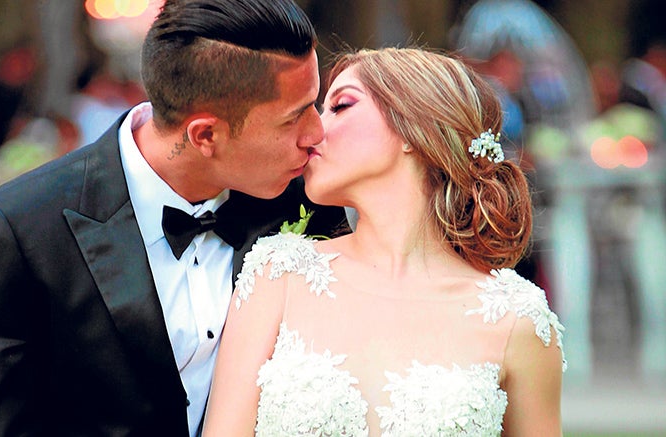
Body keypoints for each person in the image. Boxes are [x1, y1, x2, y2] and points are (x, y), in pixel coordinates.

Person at [0, 1, 346, 435]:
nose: (317, 132)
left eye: (315, 104)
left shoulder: (307, 200)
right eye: (293, 118)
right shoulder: (18, 232)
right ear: (205, 134)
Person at [203, 47, 566, 436]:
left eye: (340, 106)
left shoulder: (517, 318)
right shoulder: (276, 275)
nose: (312, 132)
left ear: (415, 128)